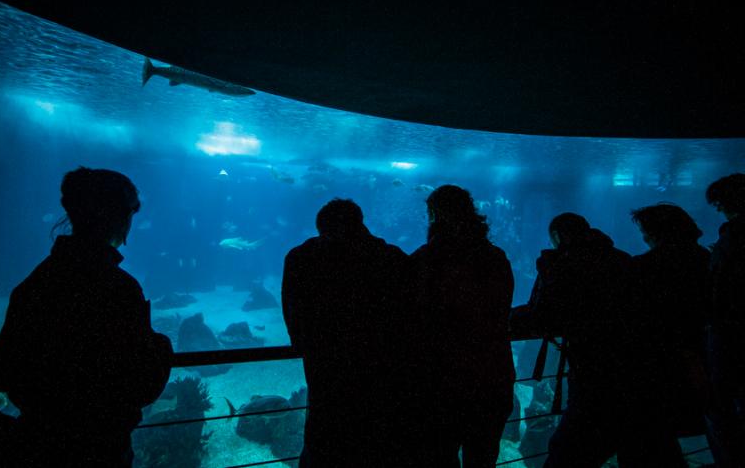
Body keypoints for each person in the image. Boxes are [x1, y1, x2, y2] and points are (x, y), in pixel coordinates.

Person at [0, 167, 174, 467]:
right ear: (117, 217)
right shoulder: (119, 288)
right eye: (129, 215)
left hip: (39, 444)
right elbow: (139, 383)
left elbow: (7, 370)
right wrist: (162, 347)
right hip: (102, 444)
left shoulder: (34, 284)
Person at [510, 212, 686, 467]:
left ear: (558, 237)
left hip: (593, 372)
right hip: (639, 374)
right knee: (646, 448)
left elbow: (544, 317)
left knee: (570, 450)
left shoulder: (563, 264)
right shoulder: (624, 260)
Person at [281, 199, 413, 467]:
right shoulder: (392, 257)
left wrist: (302, 343)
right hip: (383, 373)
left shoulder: (300, 258)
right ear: (360, 222)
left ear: (321, 228)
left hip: (326, 370)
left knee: (324, 438)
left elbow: (293, 311)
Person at [411, 185, 515, 468]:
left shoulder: (426, 260)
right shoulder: (495, 257)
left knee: (438, 456)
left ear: (434, 215)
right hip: (493, 377)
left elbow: (415, 317)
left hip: (442, 383)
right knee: (482, 458)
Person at [629, 203, 711, 440]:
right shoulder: (708, 259)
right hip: (708, 358)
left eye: (646, 230)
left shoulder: (644, 267)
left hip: (660, 366)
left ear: (656, 232)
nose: (644, 237)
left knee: (651, 434)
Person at [705, 173, 745, 467]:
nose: (719, 209)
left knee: (722, 408)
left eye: (720, 203)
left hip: (730, 338)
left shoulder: (733, 237)